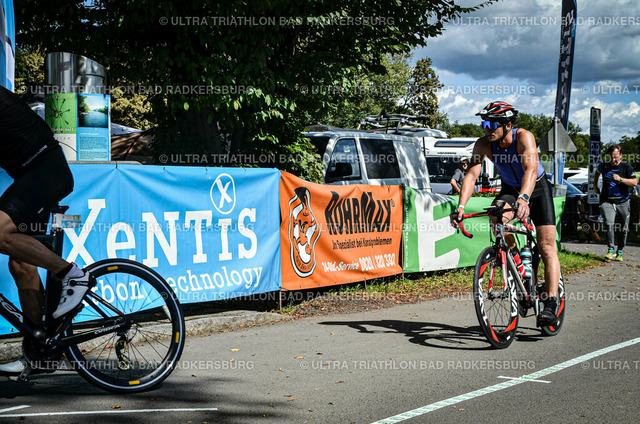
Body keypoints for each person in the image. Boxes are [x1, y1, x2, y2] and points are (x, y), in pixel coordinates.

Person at [0, 86, 96, 374]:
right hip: (34, 175)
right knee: (21, 265)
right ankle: (40, 351)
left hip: (46, 172)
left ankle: (72, 275)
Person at [450, 101, 561, 325]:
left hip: (537, 189)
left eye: (492, 124)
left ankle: (551, 302)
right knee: (496, 218)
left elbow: (530, 169)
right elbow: (471, 175)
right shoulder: (483, 144)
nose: (487, 129)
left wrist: (524, 198)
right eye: (484, 124)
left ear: (508, 125)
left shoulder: (524, 137)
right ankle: (517, 262)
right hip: (510, 188)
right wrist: (460, 206)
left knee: (546, 246)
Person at [593, 145, 637, 261]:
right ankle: (611, 249)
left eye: (616, 157)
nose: (613, 160)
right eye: (611, 157)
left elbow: (634, 182)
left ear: (620, 155)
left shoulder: (626, 167)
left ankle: (620, 251)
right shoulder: (604, 165)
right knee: (609, 223)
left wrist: (621, 179)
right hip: (607, 200)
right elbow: (597, 173)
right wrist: (595, 186)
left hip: (623, 201)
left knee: (623, 228)